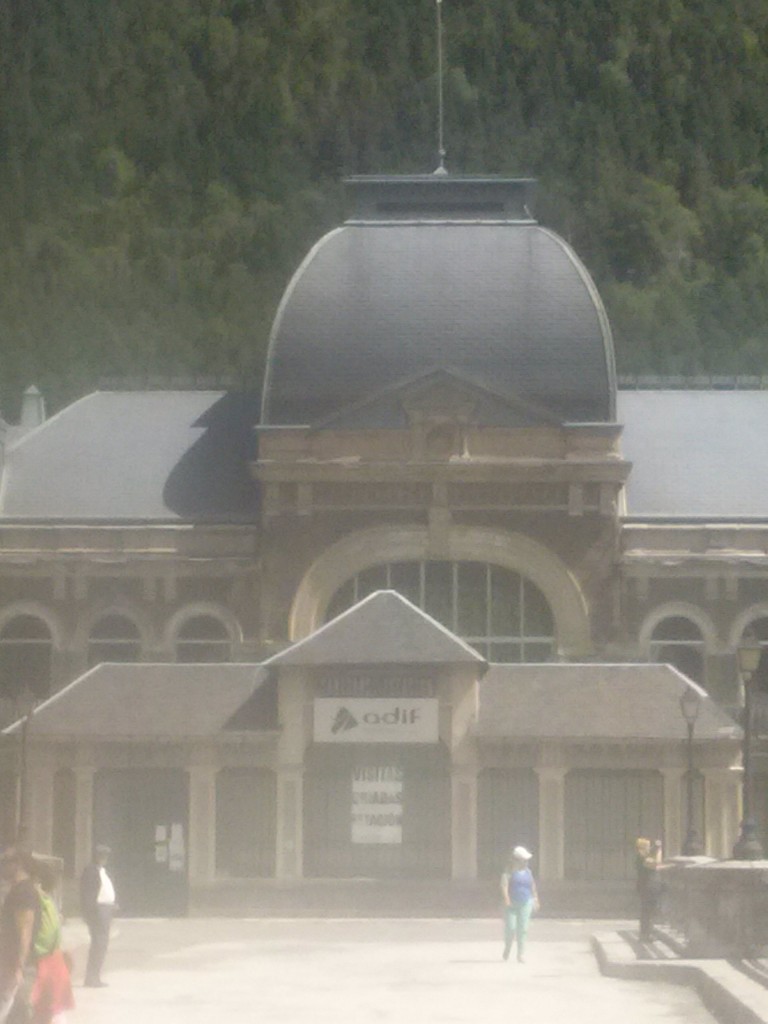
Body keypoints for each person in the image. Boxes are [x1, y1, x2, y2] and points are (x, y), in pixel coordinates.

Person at [28, 860, 74, 1024]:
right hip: (55, 960)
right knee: (55, 1010)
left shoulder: (37, 901)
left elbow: (44, 937)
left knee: (42, 1011)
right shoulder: (50, 902)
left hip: (43, 962)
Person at [0, 847, 40, 1024]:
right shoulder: (18, 890)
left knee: (16, 1015)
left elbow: (25, 931)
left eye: (5, 862)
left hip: (15, 966)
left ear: (18, 864)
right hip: (10, 964)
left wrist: (19, 968)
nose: (2, 866)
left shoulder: (23, 892)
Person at [79, 845, 116, 988]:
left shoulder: (103, 871)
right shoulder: (90, 871)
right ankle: (91, 977)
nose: (104, 858)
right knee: (98, 944)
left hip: (106, 909)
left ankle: (95, 976)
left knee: (102, 944)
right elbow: (87, 894)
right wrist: (90, 913)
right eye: (102, 855)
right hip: (97, 911)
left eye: (106, 856)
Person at [500, 846, 539, 963]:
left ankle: (520, 954)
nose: (526, 862)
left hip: (526, 902)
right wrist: (506, 899)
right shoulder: (508, 872)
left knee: (523, 929)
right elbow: (504, 886)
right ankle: (507, 947)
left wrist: (536, 898)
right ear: (516, 860)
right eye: (524, 860)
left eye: (527, 860)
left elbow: (532, 885)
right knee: (511, 928)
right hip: (511, 904)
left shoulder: (528, 872)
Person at [635, 837, 662, 942]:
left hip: (647, 887)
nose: (649, 848)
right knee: (647, 911)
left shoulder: (643, 856)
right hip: (647, 887)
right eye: (647, 846)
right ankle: (645, 935)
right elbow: (655, 864)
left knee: (648, 911)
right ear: (642, 847)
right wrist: (659, 851)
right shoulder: (641, 857)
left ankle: (646, 933)